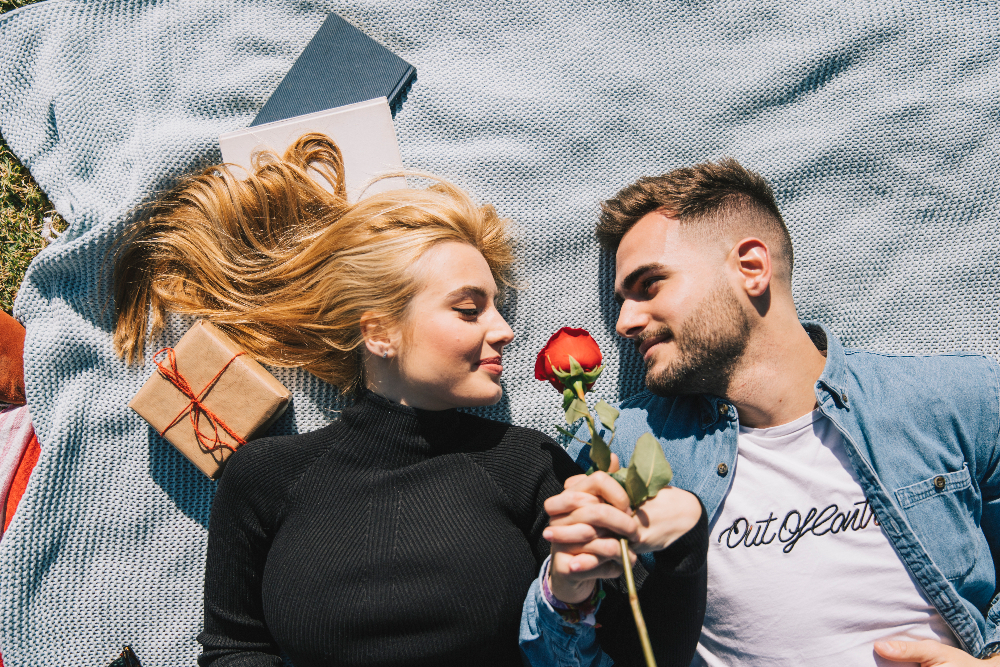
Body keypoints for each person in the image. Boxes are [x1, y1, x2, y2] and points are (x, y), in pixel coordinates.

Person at [111, 134, 708, 666]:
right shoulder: (264, 476)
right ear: (380, 333)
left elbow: (625, 653)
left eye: (498, 307)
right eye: (470, 308)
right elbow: (233, 650)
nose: (504, 330)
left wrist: (680, 549)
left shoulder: (530, 466)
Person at [537, 158, 1000, 666]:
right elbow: (561, 656)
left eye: (649, 285)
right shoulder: (617, 451)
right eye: (622, 299)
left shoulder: (951, 398)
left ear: (751, 268)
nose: (625, 322)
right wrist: (566, 596)